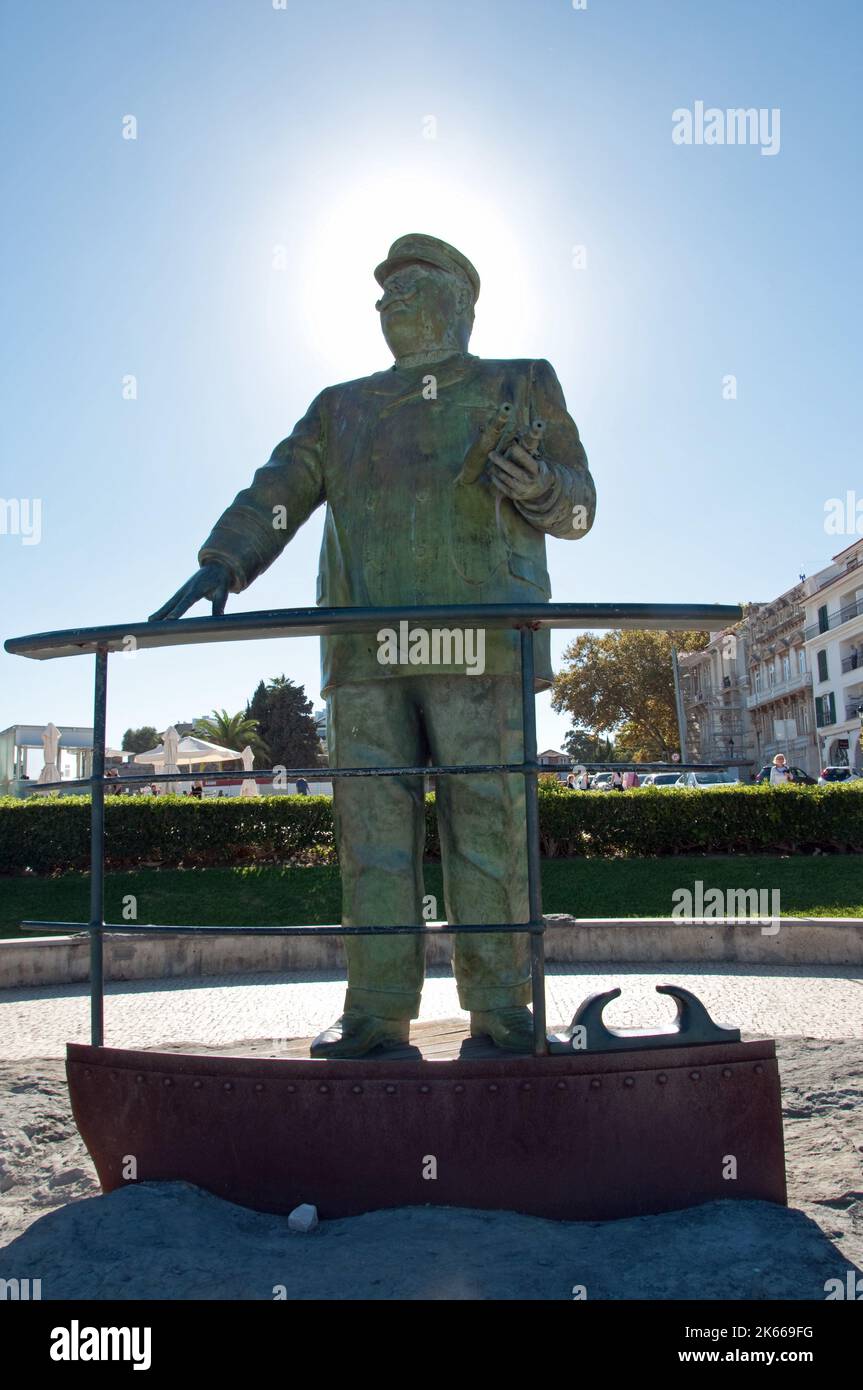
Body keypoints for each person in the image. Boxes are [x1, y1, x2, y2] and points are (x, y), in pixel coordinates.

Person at [149, 233, 596, 1057]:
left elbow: (578, 511)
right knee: (372, 838)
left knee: (489, 830)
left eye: (413, 287)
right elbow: (279, 488)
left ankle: (502, 1008)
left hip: (482, 644)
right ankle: (375, 1011)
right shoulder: (340, 405)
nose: (390, 303)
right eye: (385, 294)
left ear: (461, 303)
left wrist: (540, 486)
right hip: (366, 649)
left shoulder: (518, 381)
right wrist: (225, 559)